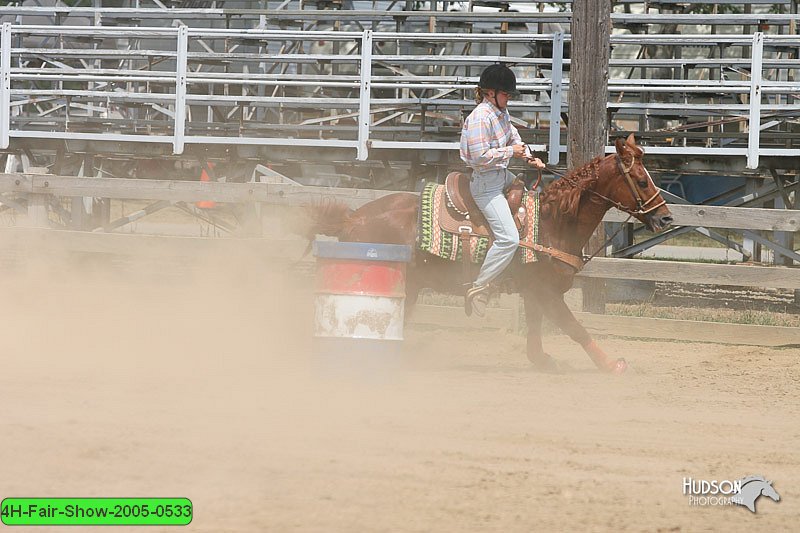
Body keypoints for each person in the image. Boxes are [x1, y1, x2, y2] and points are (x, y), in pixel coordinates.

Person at [460, 64, 545, 317]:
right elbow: (478, 157)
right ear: (490, 93)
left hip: (499, 175)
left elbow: (515, 138)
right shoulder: (479, 118)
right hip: (485, 183)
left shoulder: (500, 113)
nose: (508, 98)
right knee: (508, 239)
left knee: (532, 201)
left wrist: (529, 156)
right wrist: (512, 152)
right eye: (506, 94)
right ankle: (479, 286)